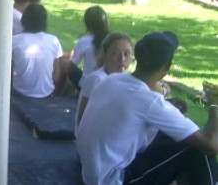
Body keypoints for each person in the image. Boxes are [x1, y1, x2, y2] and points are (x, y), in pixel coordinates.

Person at [76, 31, 218, 184]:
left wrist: (167, 104)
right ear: (167, 66)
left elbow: (131, 108)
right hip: (112, 179)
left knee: (180, 135)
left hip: (90, 170)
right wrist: (214, 104)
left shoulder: (111, 80)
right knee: (197, 150)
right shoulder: (150, 102)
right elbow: (211, 145)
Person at [75, 31, 133, 128]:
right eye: (115, 53)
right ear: (104, 54)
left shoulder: (128, 79)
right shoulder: (96, 80)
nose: (122, 59)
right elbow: (82, 118)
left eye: (127, 53)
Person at [11, 3, 63, 98]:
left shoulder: (14, 41)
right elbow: (56, 74)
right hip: (47, 92)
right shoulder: (54, 40)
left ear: (24, 20)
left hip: (19, 91)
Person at [66, 6, 110, 89]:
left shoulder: (83, 42)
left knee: (64, 63)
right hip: (110, 84)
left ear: (86, 24)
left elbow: (71, 68)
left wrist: (70, 59)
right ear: (106, 22)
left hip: (88, 86)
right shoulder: (114, 40)